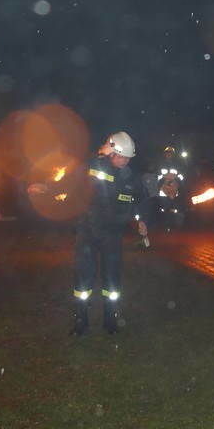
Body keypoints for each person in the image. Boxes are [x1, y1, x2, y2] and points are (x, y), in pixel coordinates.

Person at [71, 131, 148, 335]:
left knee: (112, 279)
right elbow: (78, 173)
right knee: (84, 279)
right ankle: (81, 320)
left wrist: (141, 219)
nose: (124, 161)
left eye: (127, 158)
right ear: (111, 152)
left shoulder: (131, 177)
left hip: (112, 235)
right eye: (120, 156)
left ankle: (110, 319)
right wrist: (99, 155)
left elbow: (139, 200)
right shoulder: (96, 166)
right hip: (88, 231)